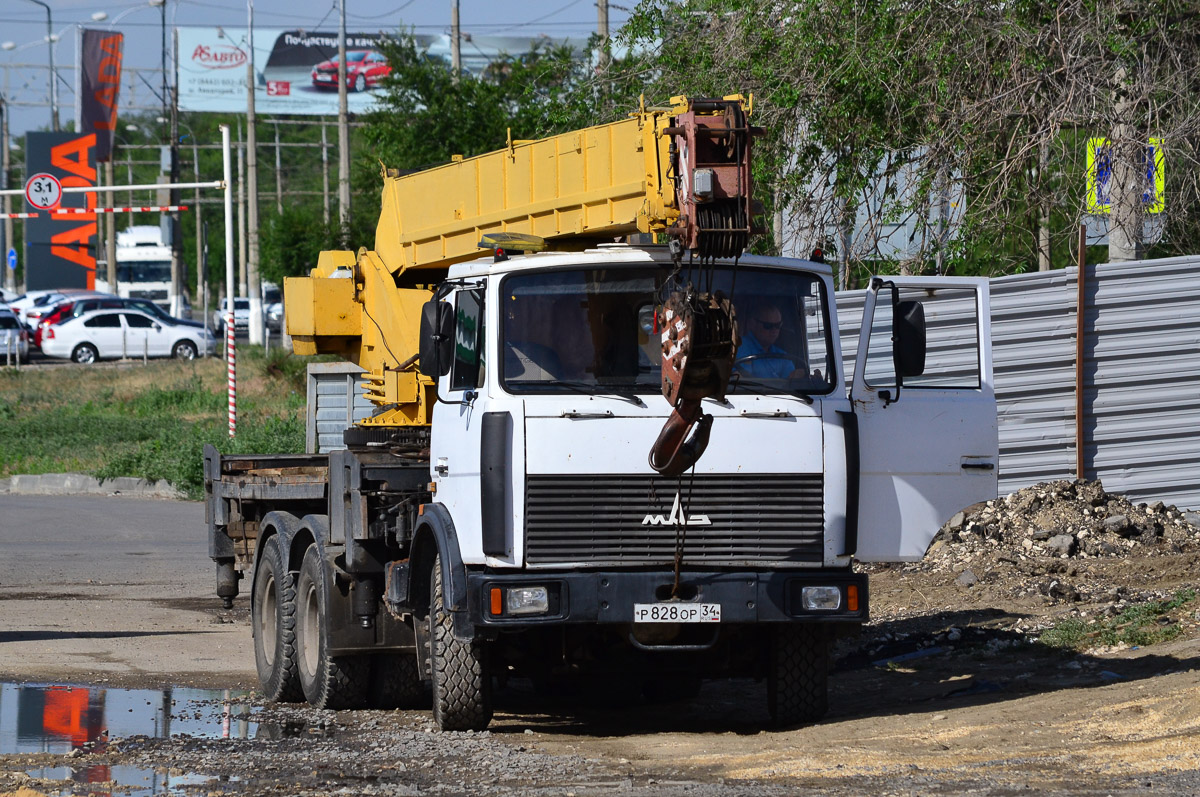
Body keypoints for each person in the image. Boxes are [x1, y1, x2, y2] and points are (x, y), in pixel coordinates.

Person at [735, 302, 800, 379]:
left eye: (778, 325)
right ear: (752, 324)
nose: (774, 330)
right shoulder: (739, 347)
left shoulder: (782, 356)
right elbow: (741, 381)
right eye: (768, 326)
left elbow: (791, 384)